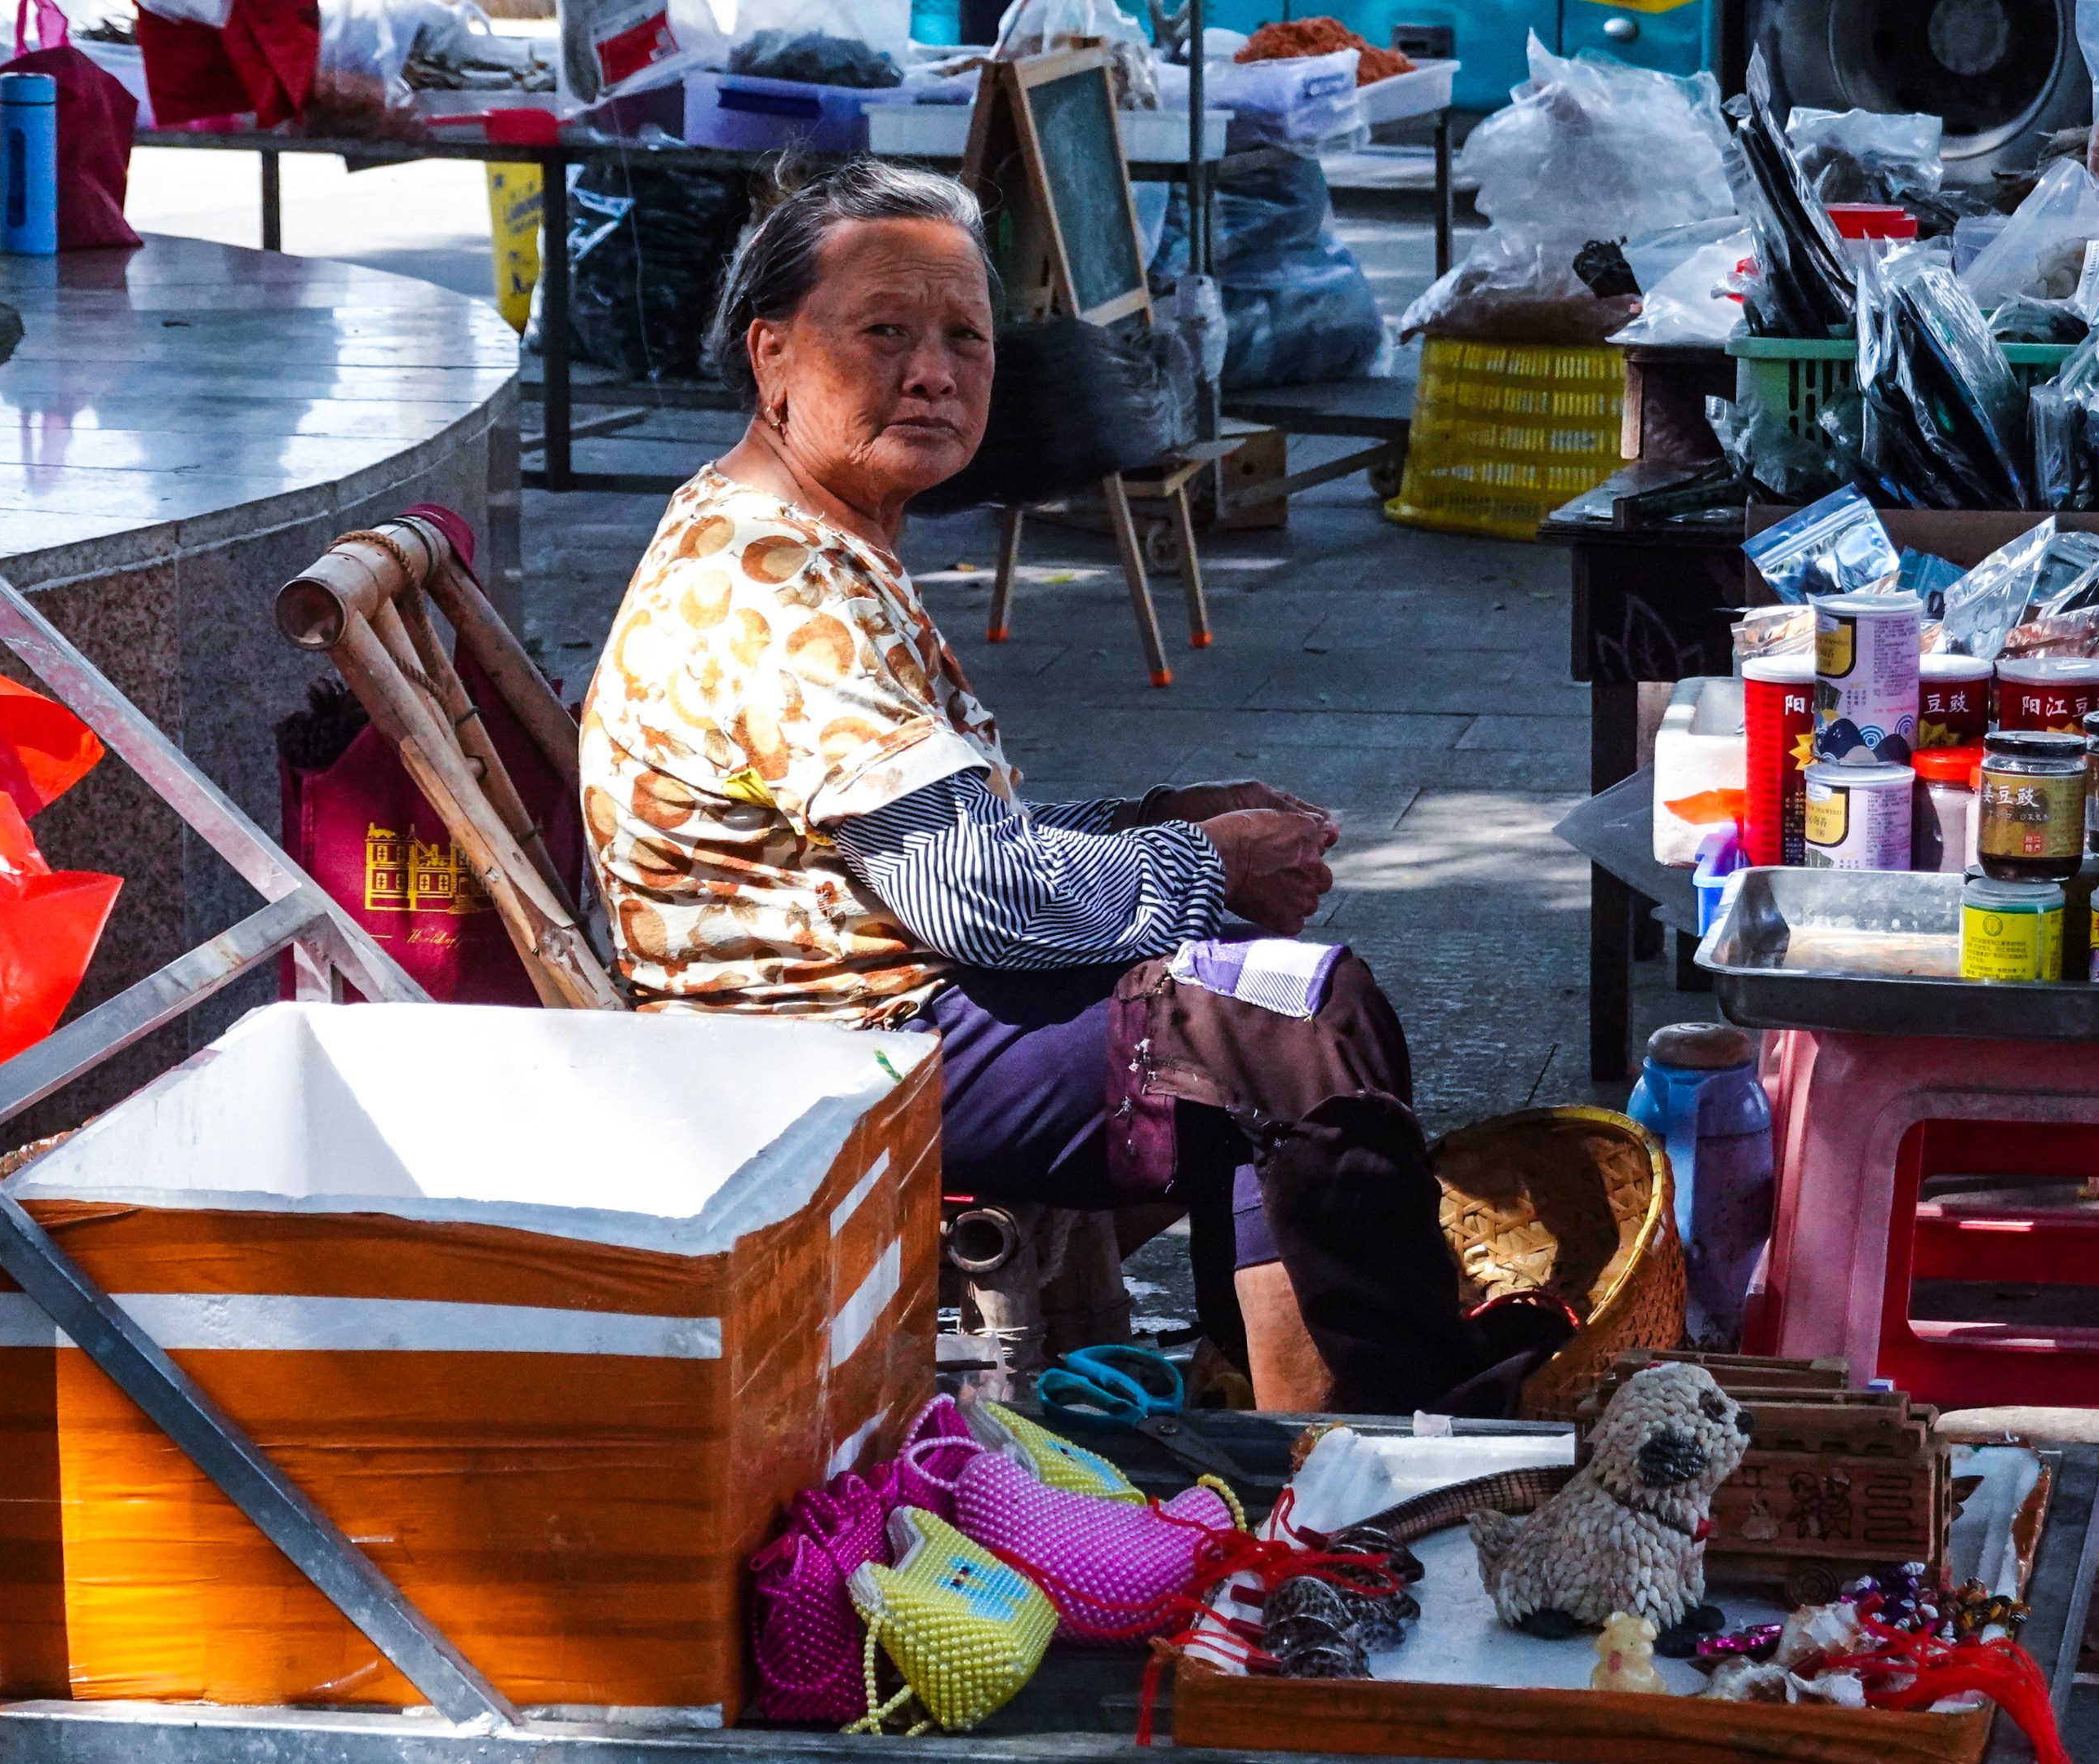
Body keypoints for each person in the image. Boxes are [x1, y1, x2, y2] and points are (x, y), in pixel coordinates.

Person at [578, 160, 1536, 1416]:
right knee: (1292, 1020)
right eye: (884, 332)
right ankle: (1384, 1425)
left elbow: (944, 837)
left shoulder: (802, 530)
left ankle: (1292, 1401)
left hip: (885, 998)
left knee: (1273, 997)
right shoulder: (778, 579)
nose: (933, 371)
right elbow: (971, 891)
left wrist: (1160, 820)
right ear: (772, 354)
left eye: (964, 338)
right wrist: (1210, 865)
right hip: (823, 1052)